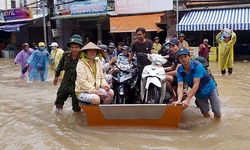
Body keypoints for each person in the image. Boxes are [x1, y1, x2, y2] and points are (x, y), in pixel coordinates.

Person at [173, 48, 221, 119]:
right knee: (205, 114)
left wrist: (187, 100)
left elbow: (196, 84)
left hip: (210, 89)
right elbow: (180, 86)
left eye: (185, 56)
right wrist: (179, 100)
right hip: (199, 93)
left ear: (189, 57)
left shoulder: (197, 65)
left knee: (217, 113)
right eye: (181, 57)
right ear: (179, 59)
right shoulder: (180, 70)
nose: (183, 59)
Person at [54, 34, 83, 112]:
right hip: (65, 83)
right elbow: (60, 66)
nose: (74, 49)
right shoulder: (66, 55)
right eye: (72, 47)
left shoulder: (83, 58)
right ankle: (58, 118)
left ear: (80, 48)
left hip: (77, 85)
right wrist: (56, 77)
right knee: (59, 101)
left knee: (76, 107)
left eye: (76, 47)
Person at [127, 27, 154, 103]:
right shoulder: (135, 44)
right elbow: (131, 54)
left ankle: (150, 95)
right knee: (138, 82)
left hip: (149, 66)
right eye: (137, 35)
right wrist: (126, 62)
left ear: (144, 34)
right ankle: (138, 96)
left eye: (140, 34)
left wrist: (156, 59)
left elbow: (152, 53)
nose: (138, 36)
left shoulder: (149, 43)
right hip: (139, 66)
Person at [164, 38, 182, 103]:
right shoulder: (175, 56)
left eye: (173, 46)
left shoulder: (181, 56)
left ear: (178, 46)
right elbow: (172, 67)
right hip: (177, 77)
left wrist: (164, 74)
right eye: (170, 47)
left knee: (163, 77)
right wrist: (161, 69)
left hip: (181, 78)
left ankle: (173, 96)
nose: (171, 48)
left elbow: (177, 72)